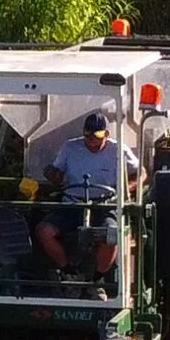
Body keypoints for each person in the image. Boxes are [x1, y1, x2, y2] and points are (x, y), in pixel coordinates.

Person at [34, 110, 123, 281]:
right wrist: (52, 175)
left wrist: (126, 188)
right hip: (72, 204)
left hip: (104, 206)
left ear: (106, 133)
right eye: (87, 134)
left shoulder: (118, 150)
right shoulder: (70, 147)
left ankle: (98, 278)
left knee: (112, 233)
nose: (91, 139)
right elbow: (56, 172)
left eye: (96, 135)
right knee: (44, 231)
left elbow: (140, 173)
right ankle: (68, 271)